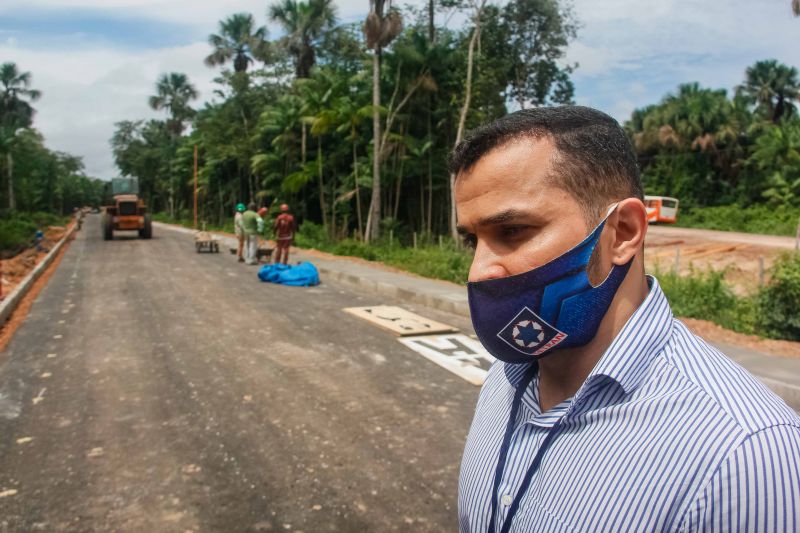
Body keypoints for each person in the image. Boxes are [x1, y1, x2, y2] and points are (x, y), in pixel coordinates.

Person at [452, 106, 800, 532]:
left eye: (514, 231)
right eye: (472, 240)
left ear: (624, 232)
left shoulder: (746, 453)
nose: (478, 271)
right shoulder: (505, 376)